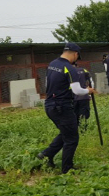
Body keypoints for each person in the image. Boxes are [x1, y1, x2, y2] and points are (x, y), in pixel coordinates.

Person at [37, 43, 96, 174]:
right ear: (75, 54)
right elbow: (77, 90)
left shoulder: (52, 64)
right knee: (72, 138)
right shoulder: (69, 68)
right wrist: (88, 90)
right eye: (77, 56)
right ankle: (67, 168)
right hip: (62, 106)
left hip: (50, 105)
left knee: (66, 132)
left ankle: (46, 155)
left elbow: (48, 84)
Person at [73, 63, 93, 130]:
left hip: (73, 98)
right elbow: (91, 82)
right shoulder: (84, 70)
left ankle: (75, 129)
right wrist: (90, 93)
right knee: (84, 115)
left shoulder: (67, 72)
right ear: (77, 65)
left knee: (74, 115)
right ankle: (83, 130)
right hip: (84, 96)